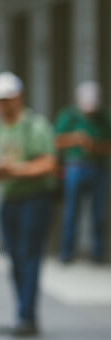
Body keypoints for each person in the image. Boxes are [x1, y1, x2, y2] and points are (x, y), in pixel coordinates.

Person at [0, 71, 57, 337]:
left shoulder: (36, 126)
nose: (0, 105)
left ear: (17, 98)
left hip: (34, 199)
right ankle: (23, 315)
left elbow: (49, 164)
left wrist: (14, 169)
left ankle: (27, 317)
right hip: (10, 200)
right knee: (15, 259)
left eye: (4, 99)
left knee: (29, 256)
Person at [55, 81, 111, 263]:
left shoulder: (104, 118)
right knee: (71, 212)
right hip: (75, 167)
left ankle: (98, 253)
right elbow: (56, 140)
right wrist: (76, 139)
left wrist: (93, 146)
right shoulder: (69, 116)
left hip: (97, 168)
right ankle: (67, 253)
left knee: (99, 213)